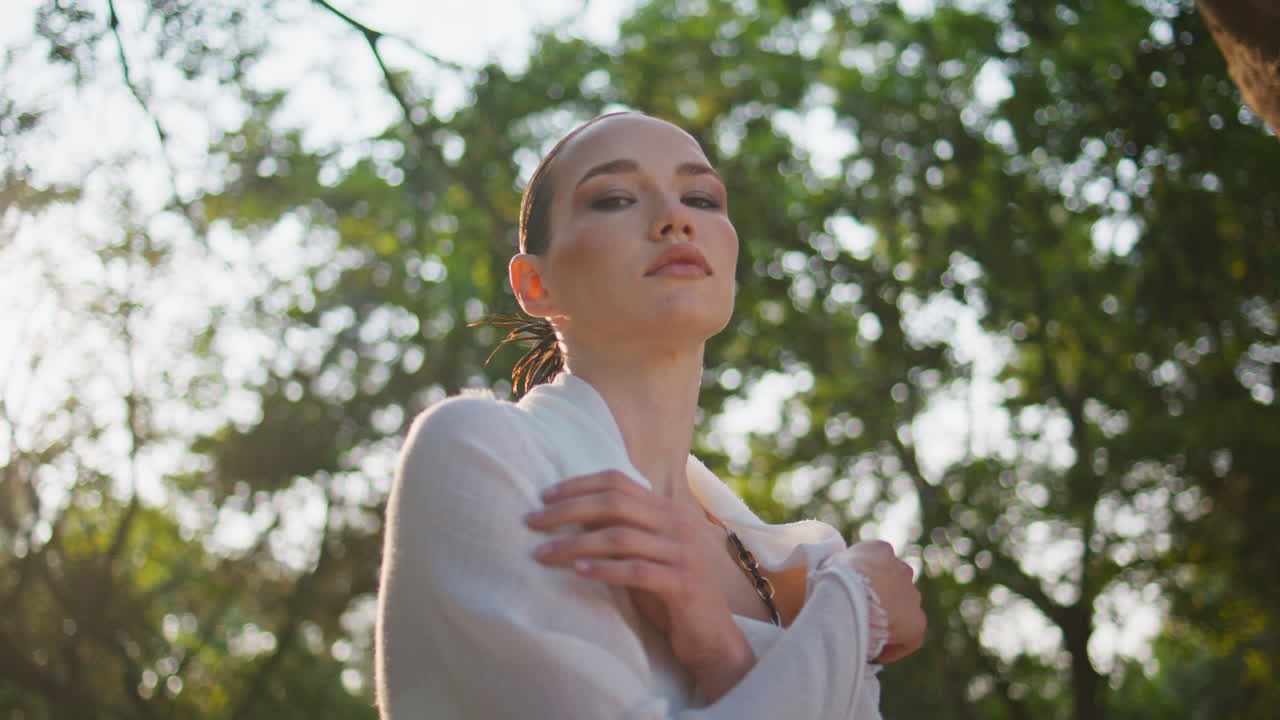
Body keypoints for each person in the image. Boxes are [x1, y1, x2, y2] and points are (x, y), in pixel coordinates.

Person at [374, 111, 926, 719]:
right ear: (535, 285)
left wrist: (724, 654)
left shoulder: (786, 567)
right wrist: (855, 607)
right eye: (613, 199)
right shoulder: (479, 451)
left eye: (701, 197)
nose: (676, 217)